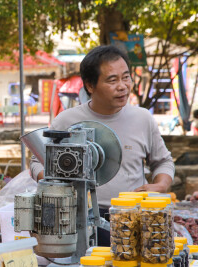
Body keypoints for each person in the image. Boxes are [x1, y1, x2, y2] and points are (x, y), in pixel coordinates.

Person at [29, 45, 175, 245]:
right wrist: (53, 185)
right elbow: (38, 160)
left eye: (126, 77)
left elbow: (163, 161)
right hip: (76, 221)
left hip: (131, 220)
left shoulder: (142, 119)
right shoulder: (67, 121)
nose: (123, 86)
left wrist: (160, 185)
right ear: (90, 85)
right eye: (112, 80)